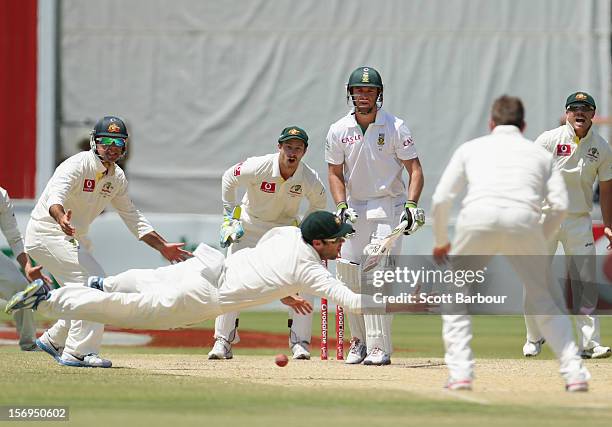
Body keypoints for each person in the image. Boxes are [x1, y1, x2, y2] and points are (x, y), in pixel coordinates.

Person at [7, 211, 390, 336]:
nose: (342, 245)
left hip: (208, 265)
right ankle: (50, 299)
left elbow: (265, 257)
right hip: (205, 297)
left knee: (144, 279)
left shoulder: (289, 234)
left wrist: (282, 290)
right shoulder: (308, 269)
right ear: (320, 242)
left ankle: (99, 281)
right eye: (337, 240)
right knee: (129, 311)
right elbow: (354, 303)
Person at [431, 95, 590, 392]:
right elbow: (559, 205)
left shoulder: (471, 148)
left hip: (477, 219)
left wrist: (441, 241)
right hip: (523, 221)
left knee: (455, 295)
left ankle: (461, 372)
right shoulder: (540, 155)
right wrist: (539, 238)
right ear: (523, 125)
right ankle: (575, 373)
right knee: (544, 298)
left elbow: (441, 199)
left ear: (491, 123)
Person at [24, 116, 191, 368]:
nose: (112, 147)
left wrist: (162, 246)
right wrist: (61, 219)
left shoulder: (117, 177)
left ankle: (54, 339)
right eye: (106, 141)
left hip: (74, 237)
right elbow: (54, 198)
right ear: (94, 142)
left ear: (124, 147)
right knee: (93, 285)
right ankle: (77, 352)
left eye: (118, 142)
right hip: (48, 232)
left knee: (83, 288)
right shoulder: (76, 165)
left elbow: (132, 216)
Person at [325, 66, 425, 365]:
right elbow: (334, 172)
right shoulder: (338, 130)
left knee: (377, 275)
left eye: (369, 90)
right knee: (347, 273)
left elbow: (415, 170)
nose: (363, 95)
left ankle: (380, 347)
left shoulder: (395, 127)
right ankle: (359, 342)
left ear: (379, 94)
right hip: (355, 208)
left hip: (389, 207)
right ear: (350, 93)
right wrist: (341, 205)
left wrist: (411, 205)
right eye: (358, 90)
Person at [209, 126, 327, 360]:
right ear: (279, 147)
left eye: (298, 148)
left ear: (304, 151)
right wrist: (229, 217)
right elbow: (229, 178)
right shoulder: (259, 165)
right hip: (249, 227)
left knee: (303, 279)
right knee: (230, 278)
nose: (292, 153)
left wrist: (305, 231)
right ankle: (223, 341)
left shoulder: (308, 177)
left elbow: (319, 203)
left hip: (283, 232)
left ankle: (300, 343)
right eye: (288, 147)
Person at [523, 92, 612, 359]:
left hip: (579, 220)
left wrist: (608, 224)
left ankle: (590, 343)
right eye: (574, 109)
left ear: (593, 114)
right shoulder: (549, 139)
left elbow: (606, 189)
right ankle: (533, 337)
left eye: (585, 109)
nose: (579, 113)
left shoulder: (602, 147)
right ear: (567, 113)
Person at [0, 186, 51, 350]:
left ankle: (28, 343)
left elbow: (14, 237)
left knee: (22, 288)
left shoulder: (1, 195)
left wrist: (28, 267)